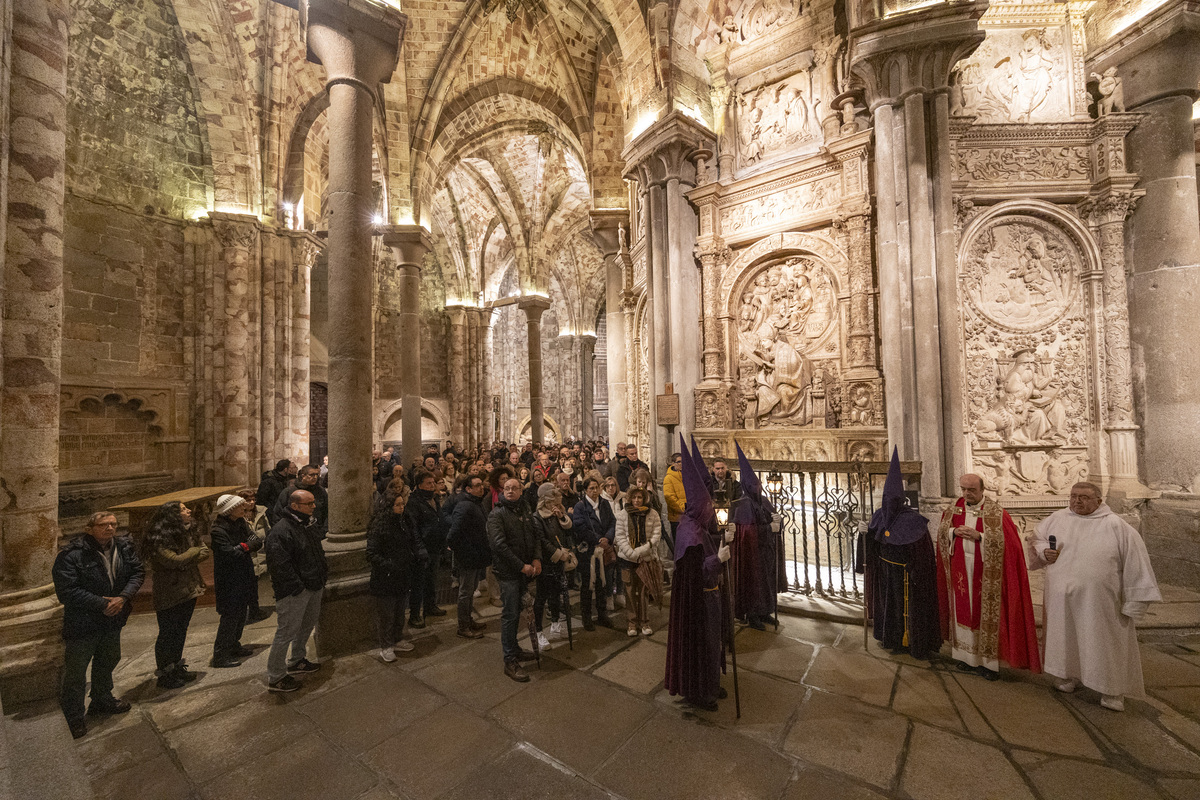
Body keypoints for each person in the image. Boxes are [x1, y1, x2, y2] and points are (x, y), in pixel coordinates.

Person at [1030, 482, 1161, 711]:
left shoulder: (1117, 527)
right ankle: (1068, 676)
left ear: (1099, 501)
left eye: (1083, 497)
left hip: (1100, 603)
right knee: (1066, 638)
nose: (1077, 501)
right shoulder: (1057, 518)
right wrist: (1044, 552)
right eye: (1073, 496)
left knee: (1103, 642)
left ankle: (1112, 690)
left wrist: (1135, 602)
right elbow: (1036, 540)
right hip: (1062, 599)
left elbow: (1137, 565)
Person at [935, 473, 1041, 681]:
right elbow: (941, 533)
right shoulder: (954, 508)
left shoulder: (995, 512)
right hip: (960, 571)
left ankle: (988, 664)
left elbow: (1011, 545)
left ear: (983, 490)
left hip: (986, 574)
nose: (967, 493)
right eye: (963, 489)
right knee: (962, 612)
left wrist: (980, 536)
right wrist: (953, 532)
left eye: (972, 490)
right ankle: (965, 657)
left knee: (985, 616)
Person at [52, 512, 145, 739]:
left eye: (113, 524)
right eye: (103, 525)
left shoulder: (122, 547)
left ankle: (102, 699)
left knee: (108, 659)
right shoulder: (72, 555)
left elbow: (137, 572)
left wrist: (122, 597)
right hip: (85, 620)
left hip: (114, 616)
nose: (110, 528)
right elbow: (67, 590)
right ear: (89, 528)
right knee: (76, 672)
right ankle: (74, 716)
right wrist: (101, 603)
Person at [858, 448, 941, 660]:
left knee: (909, 611)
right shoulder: (879, 516)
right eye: (886, 499)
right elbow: (873, 545)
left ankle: (913, 643)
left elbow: (922, 554)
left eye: (893, 500)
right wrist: (864, 534)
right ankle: (891, 639)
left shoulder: (914, 521)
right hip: (886, 573)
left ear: (901, 500)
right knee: (889, 608)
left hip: (907, 577)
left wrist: (916, 572)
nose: (888, 505)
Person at [665, 437, 729, 711]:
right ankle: (701, 692)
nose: (712, 511)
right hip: (698, 604)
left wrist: (724, 536)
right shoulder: (689, 534)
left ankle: (711, 683)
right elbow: (695, 574)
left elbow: (710, 539)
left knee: (713, 643)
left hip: (709, 599)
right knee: (702, 646)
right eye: (709, 508)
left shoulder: (697, 526)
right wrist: (718, 560)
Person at [265, 489, 328, 692]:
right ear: (295, 506)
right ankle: (276, 676)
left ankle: (297, 659)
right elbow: (280, 565)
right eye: (309, 503)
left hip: (313, 583)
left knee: (307, 625)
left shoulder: (307, 524)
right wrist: (297, 587)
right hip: (295, 590)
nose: (314, 506)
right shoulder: (281, 530)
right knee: (286, 632)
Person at [141, 501, 209, 689]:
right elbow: (172, 560)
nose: (189, 511)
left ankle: (177, 666)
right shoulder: (159, 537)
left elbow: (205, 552)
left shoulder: (189, 530)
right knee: (168, 632)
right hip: (169, 590)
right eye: (184, 509)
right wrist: (192, 552)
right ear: (172, 516)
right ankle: (165, 673)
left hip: (189, 586)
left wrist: (186, 559)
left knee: (181, 630)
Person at [488, 478, 541, 682]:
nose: (510, 491)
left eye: (514, 488)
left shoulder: (525, 510)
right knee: (510, 614)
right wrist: (521, 565)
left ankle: (515, 648)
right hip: (509, 572)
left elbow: (535, 536)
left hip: (525, 570)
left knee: (518, 610)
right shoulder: (497, 514)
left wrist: (536, 558)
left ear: (520, 490)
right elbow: (499, 546)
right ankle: (509, 659)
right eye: (507, 488)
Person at [366, 483, 419, 662]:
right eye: (397, 505)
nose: (401, 507)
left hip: (402, 575)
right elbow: (372, 554)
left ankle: (397, 639)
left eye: (402, 504)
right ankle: (386, 646)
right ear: (388, 507)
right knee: (386, 615)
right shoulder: (379, 527)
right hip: (386, 578)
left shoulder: (403, 523)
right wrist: (389, 565)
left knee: (398, 612)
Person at [731, 444, 780, 631]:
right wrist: (769, 528)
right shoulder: (744, 504)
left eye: (758, 484)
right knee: (754, 583)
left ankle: (765, 611)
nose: (757, 488)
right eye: (753, 485)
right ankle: (753, 615)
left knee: (766, 581)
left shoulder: (763, 500)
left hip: (765, 550)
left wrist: (777, 520)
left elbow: (771, 518)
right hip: (753, 554)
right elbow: (747, 533)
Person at [209, 494, 262, 668]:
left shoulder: (239, 523)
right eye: (240, 506)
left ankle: (233, 645)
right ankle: (220, 655)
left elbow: (257, 541)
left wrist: (242, 547)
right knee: (230, 616)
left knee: (241, 614)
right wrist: (245, 546)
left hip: (243, 573)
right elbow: (229, 554)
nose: (244, 508)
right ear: (230, 509)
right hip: (229, 578)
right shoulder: (218, 530)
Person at [445, 474, 492, 639]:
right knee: (465, 592)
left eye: (481, 484)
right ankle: (463, 626)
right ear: (468, 489)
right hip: (468, 557)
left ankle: (468, 620)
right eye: (477, 485)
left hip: (475, 555)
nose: (481, 488)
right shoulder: (465, 505)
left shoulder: (475, 503)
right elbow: (453, 534)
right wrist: (462, 552)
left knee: (470, 590)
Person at [532, 483, 576, 647]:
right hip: (546, 563)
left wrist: (563, 517)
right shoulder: (537, 518)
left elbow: (568, 531)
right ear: (546, 502)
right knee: (541, 598)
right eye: (554, 503)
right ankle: (538, 632)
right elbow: (542, 541)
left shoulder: (555, 514)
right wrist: (559, 554)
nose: (557, 505)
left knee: (556, 594)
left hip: (558, 563)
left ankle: (555, 625)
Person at [615, 486, 662, 637]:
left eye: (639, 497)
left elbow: (656, 535)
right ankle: (631, 622)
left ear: (644, 498)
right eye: (634, 498)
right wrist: (631, 553)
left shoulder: (652, 513)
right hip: (627, 559)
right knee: (629, 591)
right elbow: (620, 536)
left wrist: (643, 550)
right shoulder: (623, 514)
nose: (636, 500)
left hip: (645, 557)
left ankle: (644, 621)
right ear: (629, 498)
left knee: (643, 591)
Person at [572, 477, 617, 630]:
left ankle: (602, 614)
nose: (594, 491)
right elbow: (581, 528)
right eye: (591, 488)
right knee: (587, 584)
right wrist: (598, 540)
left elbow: (612, 522)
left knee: (602, 583)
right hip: (589, 552)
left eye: (596, 487)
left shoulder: (604, 504)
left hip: (603, 550)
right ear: (585, 490)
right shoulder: (580, 507)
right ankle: (587, 617)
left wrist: (608, 538)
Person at [406, 470, 450, 628]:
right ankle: (415, 614)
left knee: (432, 579)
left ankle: (430, 606)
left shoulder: (434, 499)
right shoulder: (414, 502)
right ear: (419, 485)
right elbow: (414, 528)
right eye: (429, 483)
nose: (432, 486)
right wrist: (419, 548)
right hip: (422, 548)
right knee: (418, 582)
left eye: (433, 483)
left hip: (435, 546)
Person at [272, 465, 329, 536]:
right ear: (303, 476)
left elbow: (327, 512)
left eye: (316, 474)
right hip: (294, 533)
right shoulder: (289, 491)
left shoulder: (321, 491)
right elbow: (278, 513)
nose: (315, 477)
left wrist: (323, 531)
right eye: (311, 475)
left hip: (317, 533)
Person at [258, 459, 296, 525]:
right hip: (272, 514)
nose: (293, 470)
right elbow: (261, 500)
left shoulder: (286, 479)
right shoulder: (268, 481)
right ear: (285, 469)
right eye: (291, 468)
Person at [663, 452, 686, 542]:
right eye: (679, 462)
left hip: (688, 516)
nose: (682, 464)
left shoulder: (687, 475)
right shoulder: (669, 478)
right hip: (677, 517)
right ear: (673, 463)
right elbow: (669, 497)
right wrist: (684, 507)